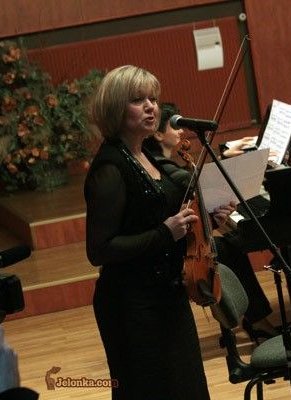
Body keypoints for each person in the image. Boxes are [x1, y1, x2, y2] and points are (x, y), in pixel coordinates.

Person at [84, 65, 210, 399]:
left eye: (153, 98)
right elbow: (99, 250)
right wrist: (165, 233)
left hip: (168, 293)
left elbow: (165, 212)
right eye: (138, 100)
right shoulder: (110, 167)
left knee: (189, 389)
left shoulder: (146, 155)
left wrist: (207, 216)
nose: (151, 106)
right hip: (132, 305)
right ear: (116, 108)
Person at [144, 102, 278, 341]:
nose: (181, 131)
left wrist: (213, 221)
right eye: (174, 126)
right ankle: (256, 320)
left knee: (231, 245)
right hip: (168, 252)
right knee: (229, 249)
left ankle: (254, 318)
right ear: (158, 134)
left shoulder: (166, 164)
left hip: (182, 243)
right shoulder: (159, 169)